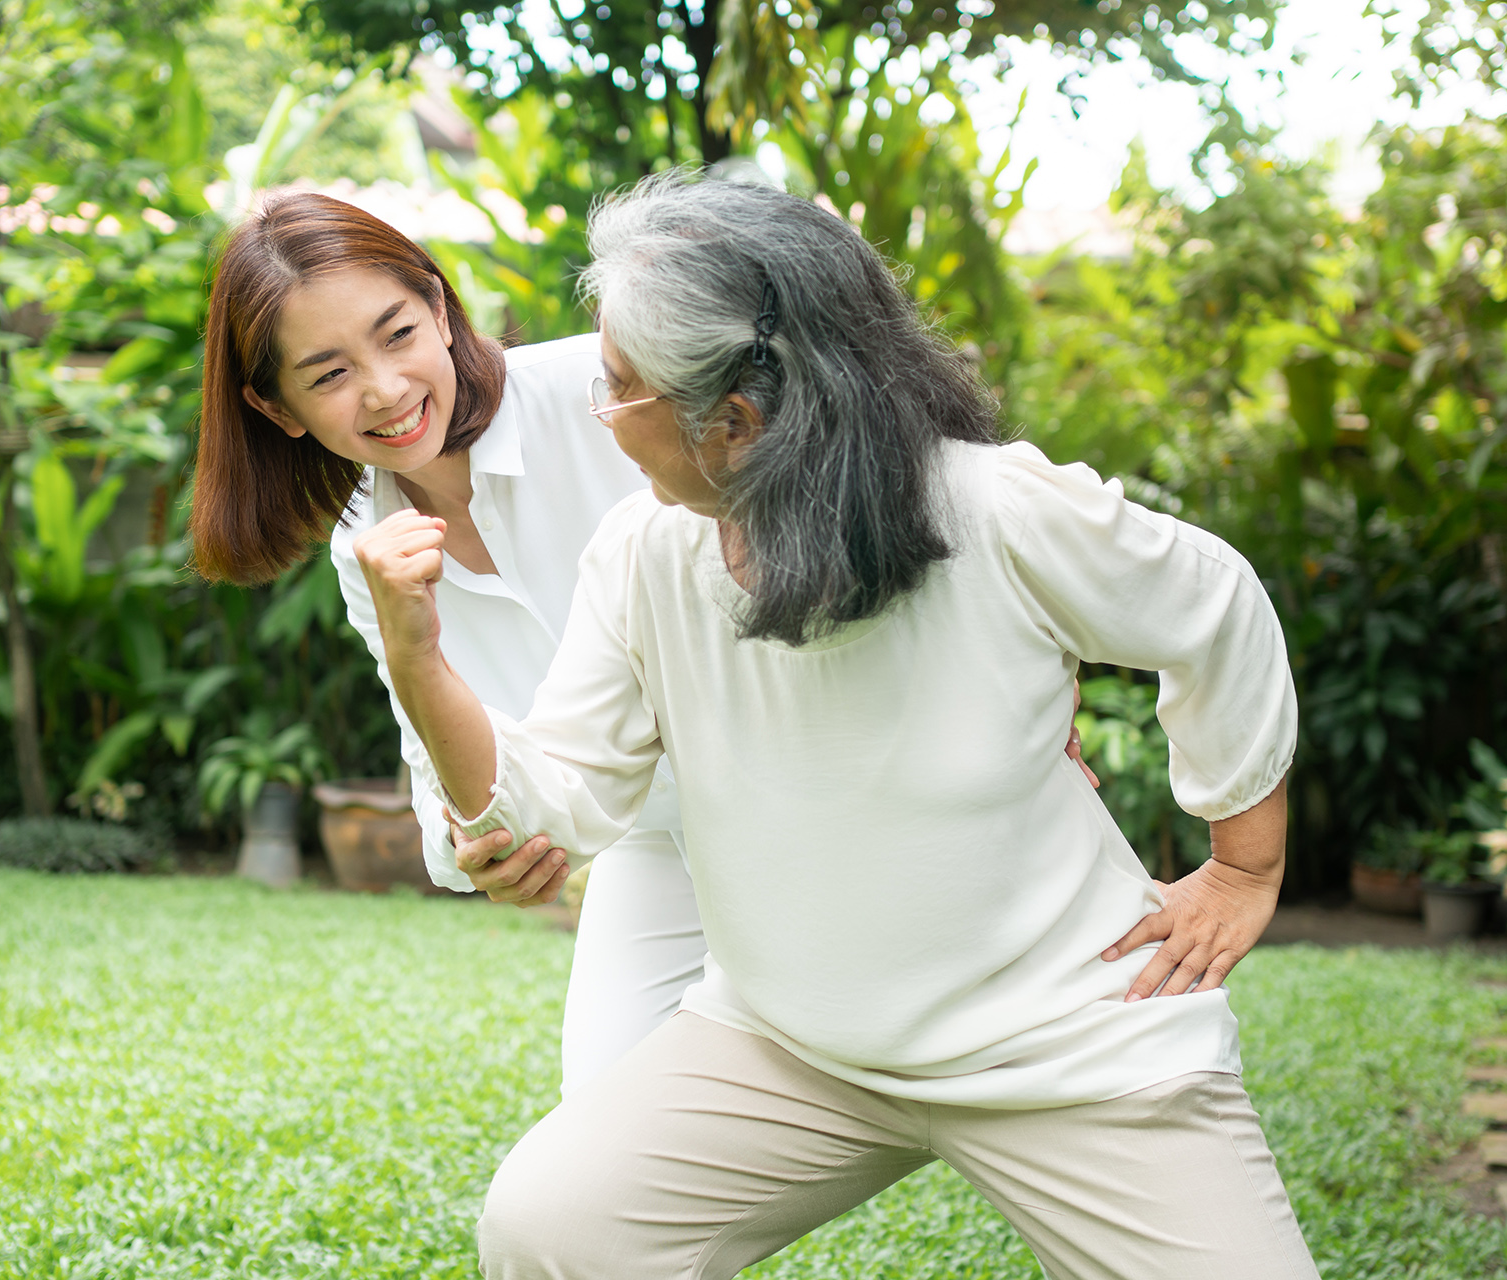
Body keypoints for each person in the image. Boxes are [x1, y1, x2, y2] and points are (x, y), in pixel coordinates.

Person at [354, 173, 1320, 1280]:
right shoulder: (645, 552)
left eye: (616, 387)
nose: (597, 412)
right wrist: (419, 656)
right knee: (551, 1227)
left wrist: (1243, 867)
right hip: (788, 1042)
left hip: (1064, 1041)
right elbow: (552, 795)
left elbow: (1214, 600)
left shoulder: (991, 509)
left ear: (737, 419)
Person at [188, 191, 706, 1093]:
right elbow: (446, 800)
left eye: (396, 335)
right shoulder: (370, 549)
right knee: (600, 1149)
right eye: (328, 373)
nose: (385, 391)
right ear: (277, 410)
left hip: (808, 793)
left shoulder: (608, 390)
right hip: (656, 848)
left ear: (438, 304)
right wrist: (480, 845)